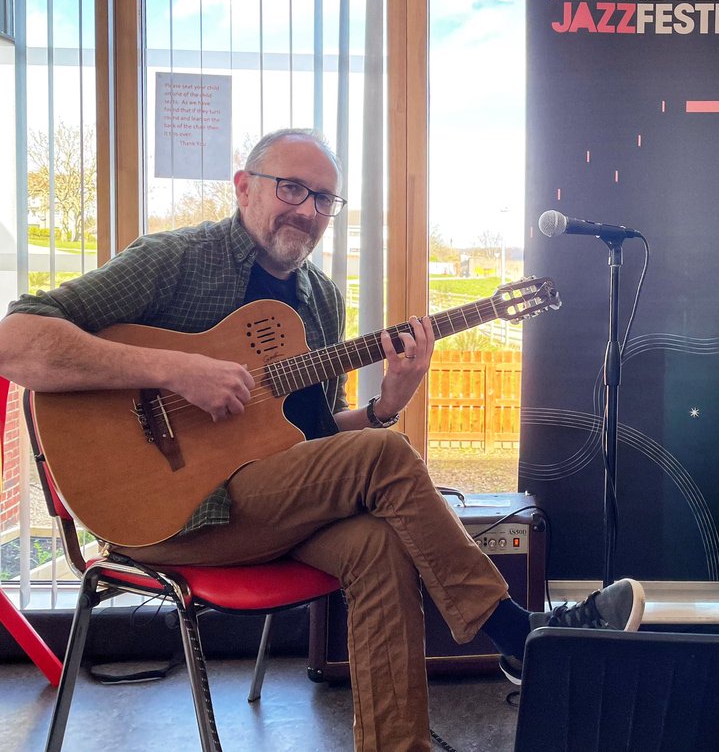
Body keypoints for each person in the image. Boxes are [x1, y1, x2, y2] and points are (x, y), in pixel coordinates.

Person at [0, 128, 646, 752]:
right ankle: (520, 635)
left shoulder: (319, 299)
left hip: (267, 503)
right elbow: (17, 340)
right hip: (170, 513)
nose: (307, 210)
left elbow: (312, 441)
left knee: (377, 544)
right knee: (386, 458)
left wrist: (388, 403)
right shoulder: (175, 261)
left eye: (323, 199)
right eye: (291, 189)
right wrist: (174, 369)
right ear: (244, 186)